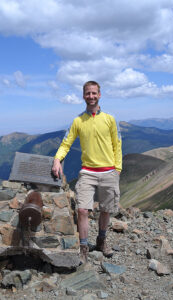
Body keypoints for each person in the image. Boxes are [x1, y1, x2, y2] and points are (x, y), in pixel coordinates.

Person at [52, 81, 122, 263]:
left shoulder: (110, 119)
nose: (91, 96)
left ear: (99, 95)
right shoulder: (78, 121)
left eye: (94, 93)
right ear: (83, 96)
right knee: (83, 210)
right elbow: (66, 143)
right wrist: (57, 159)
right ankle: (84, 247)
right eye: (87, 93)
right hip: (88, 172)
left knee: (106, 210)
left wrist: (118, 169)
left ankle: (101, 241)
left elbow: (117, 145)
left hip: (109, 171)